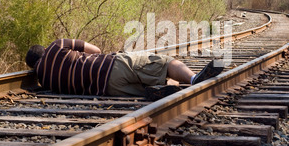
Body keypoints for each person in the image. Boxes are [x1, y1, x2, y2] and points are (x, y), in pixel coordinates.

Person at [25, 39, 224, 101]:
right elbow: (96, 50)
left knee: (146, 84)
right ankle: (193, 79)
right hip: (111, 66)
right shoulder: (55, 46)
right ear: (43, 51)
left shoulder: (46, 82)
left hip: (107, 90)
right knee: (164, 62)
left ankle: (158, 88)